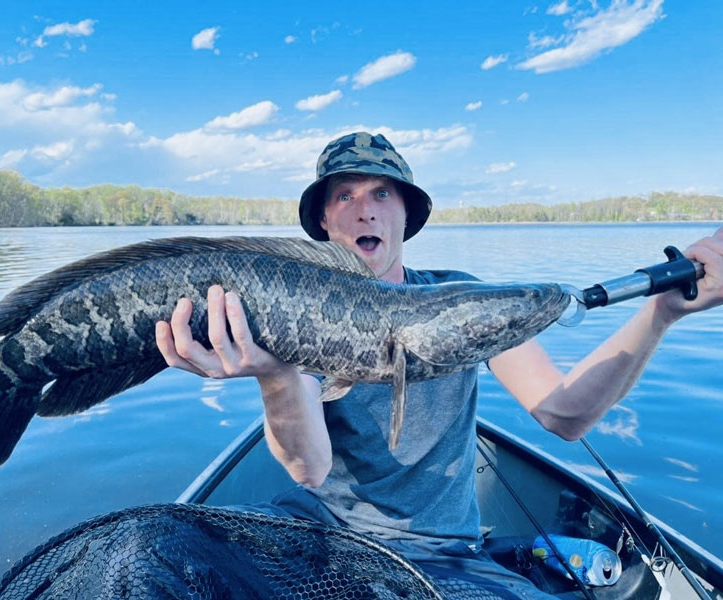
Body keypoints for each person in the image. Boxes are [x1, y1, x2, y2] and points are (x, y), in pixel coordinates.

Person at [155, 132, 723, 598]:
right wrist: (275, 375)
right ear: (324, 221)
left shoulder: (465, 300)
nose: (363, 210)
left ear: (407, 215)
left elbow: (565, 415)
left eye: (381, 194)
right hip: (322, 534)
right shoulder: (297, 307)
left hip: (445, 552)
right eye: (344, 196)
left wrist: (662, 312)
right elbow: (309, 469)